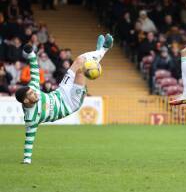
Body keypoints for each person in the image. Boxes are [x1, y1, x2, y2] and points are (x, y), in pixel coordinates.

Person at [15, 34, 113, 164]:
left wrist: (31, 53)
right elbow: (29, 137)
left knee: (79, 60)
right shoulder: (31, 118)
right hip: (70, 102)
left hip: (61, 91)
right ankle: (102, 50)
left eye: (33, 91)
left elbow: (34, 70)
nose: (36, 93)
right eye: (32, 95)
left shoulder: (32, 88)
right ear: (26, 101)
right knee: (81, 70)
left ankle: (101, 50)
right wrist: (26, 159)